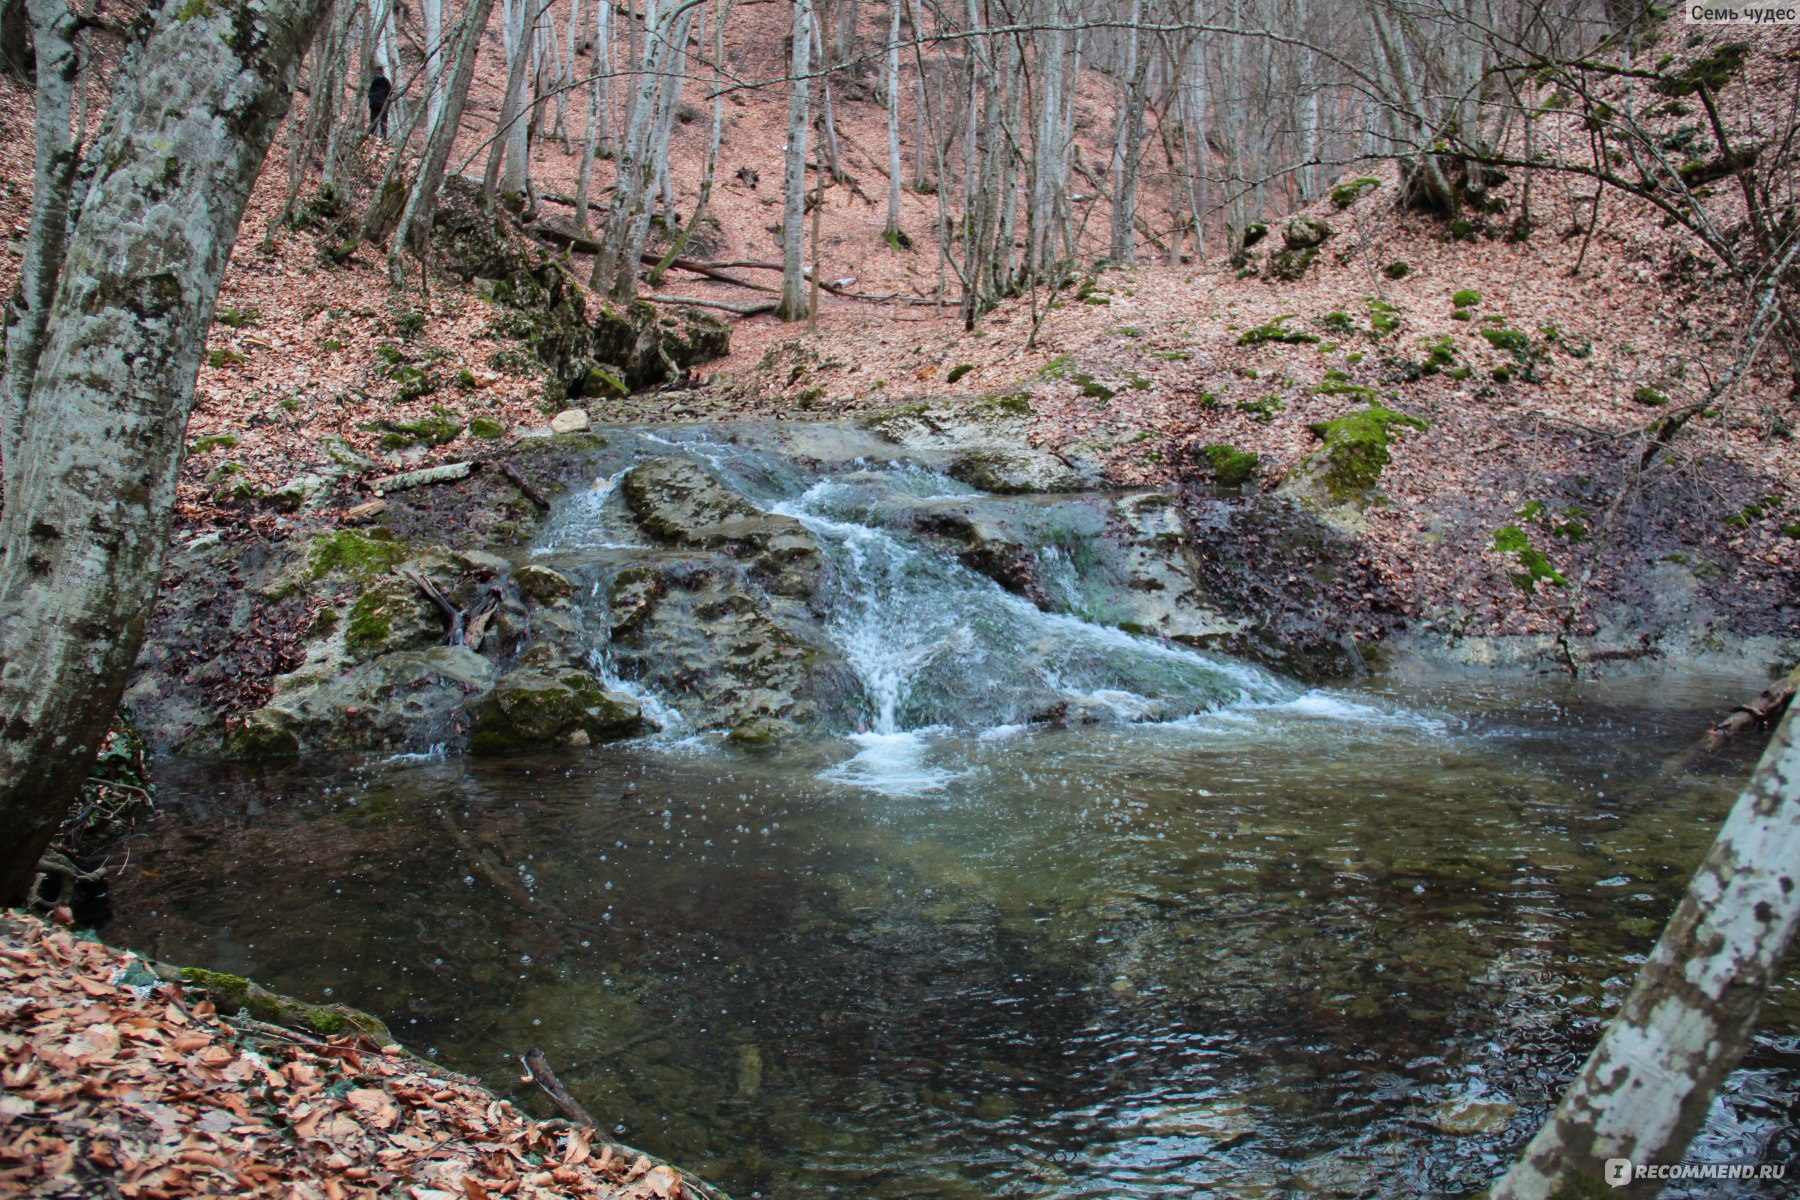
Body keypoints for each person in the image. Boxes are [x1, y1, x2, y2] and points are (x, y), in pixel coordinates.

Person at [368, 66, 392, 138]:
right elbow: (390, 92)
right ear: (382, 72)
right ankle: (383, 136)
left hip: (373, 104)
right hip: (382, 103)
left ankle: (372, 136)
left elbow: (368, 91)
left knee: (373, 120)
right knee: (383, 121)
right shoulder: (385, 81)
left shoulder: (371, 80)